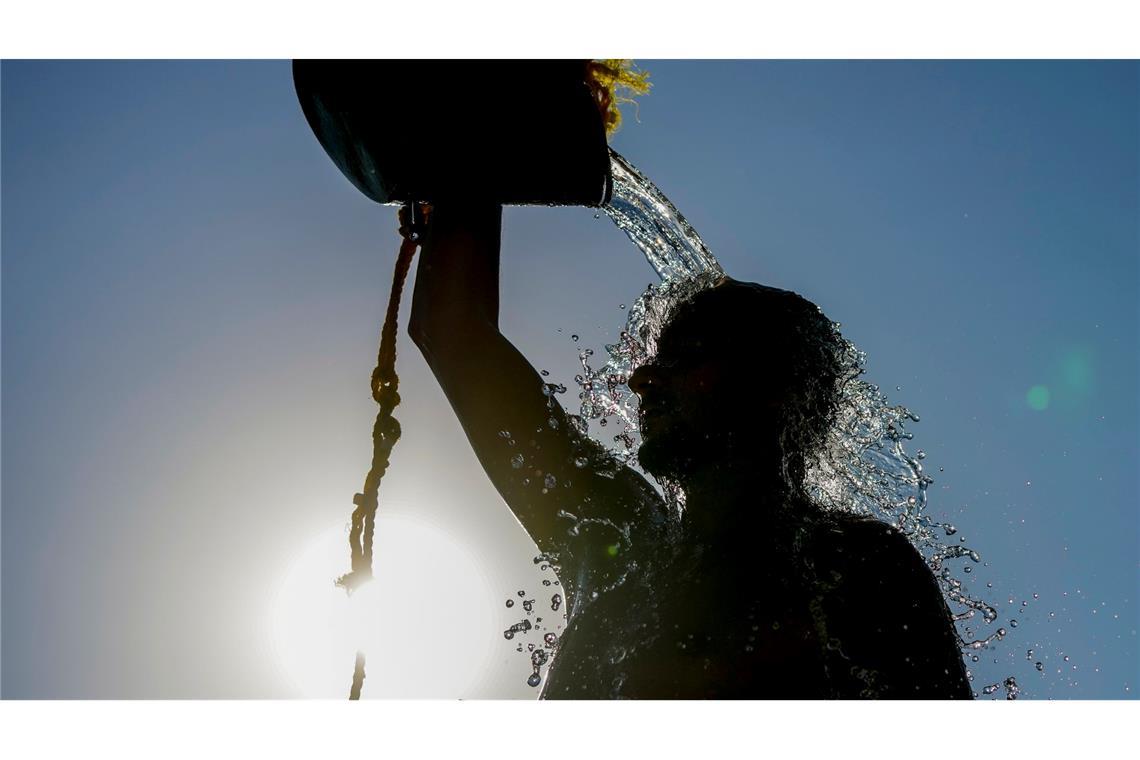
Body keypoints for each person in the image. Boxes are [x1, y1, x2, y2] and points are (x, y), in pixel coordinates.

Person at [407, 203, 972, 699]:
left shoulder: (853, 564)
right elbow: (454, 332)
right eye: (656, 359)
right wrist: (472, 160)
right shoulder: (612, 532)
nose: (645, 379)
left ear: (778, 390)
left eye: (690, 356)